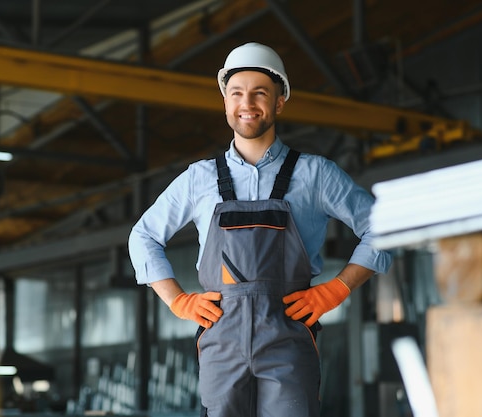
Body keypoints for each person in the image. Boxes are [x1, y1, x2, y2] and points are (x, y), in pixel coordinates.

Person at [128, 42, 392, 417]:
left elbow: (383, 227)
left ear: (279, 102)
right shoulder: (198, 179)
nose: (246, 103)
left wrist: (339, 287)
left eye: (259, 93)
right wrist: (177, 300)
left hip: (288, 336)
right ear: (225, 102)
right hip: (221, 338)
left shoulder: (315, 174)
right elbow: (143, 236)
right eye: (236, 93)